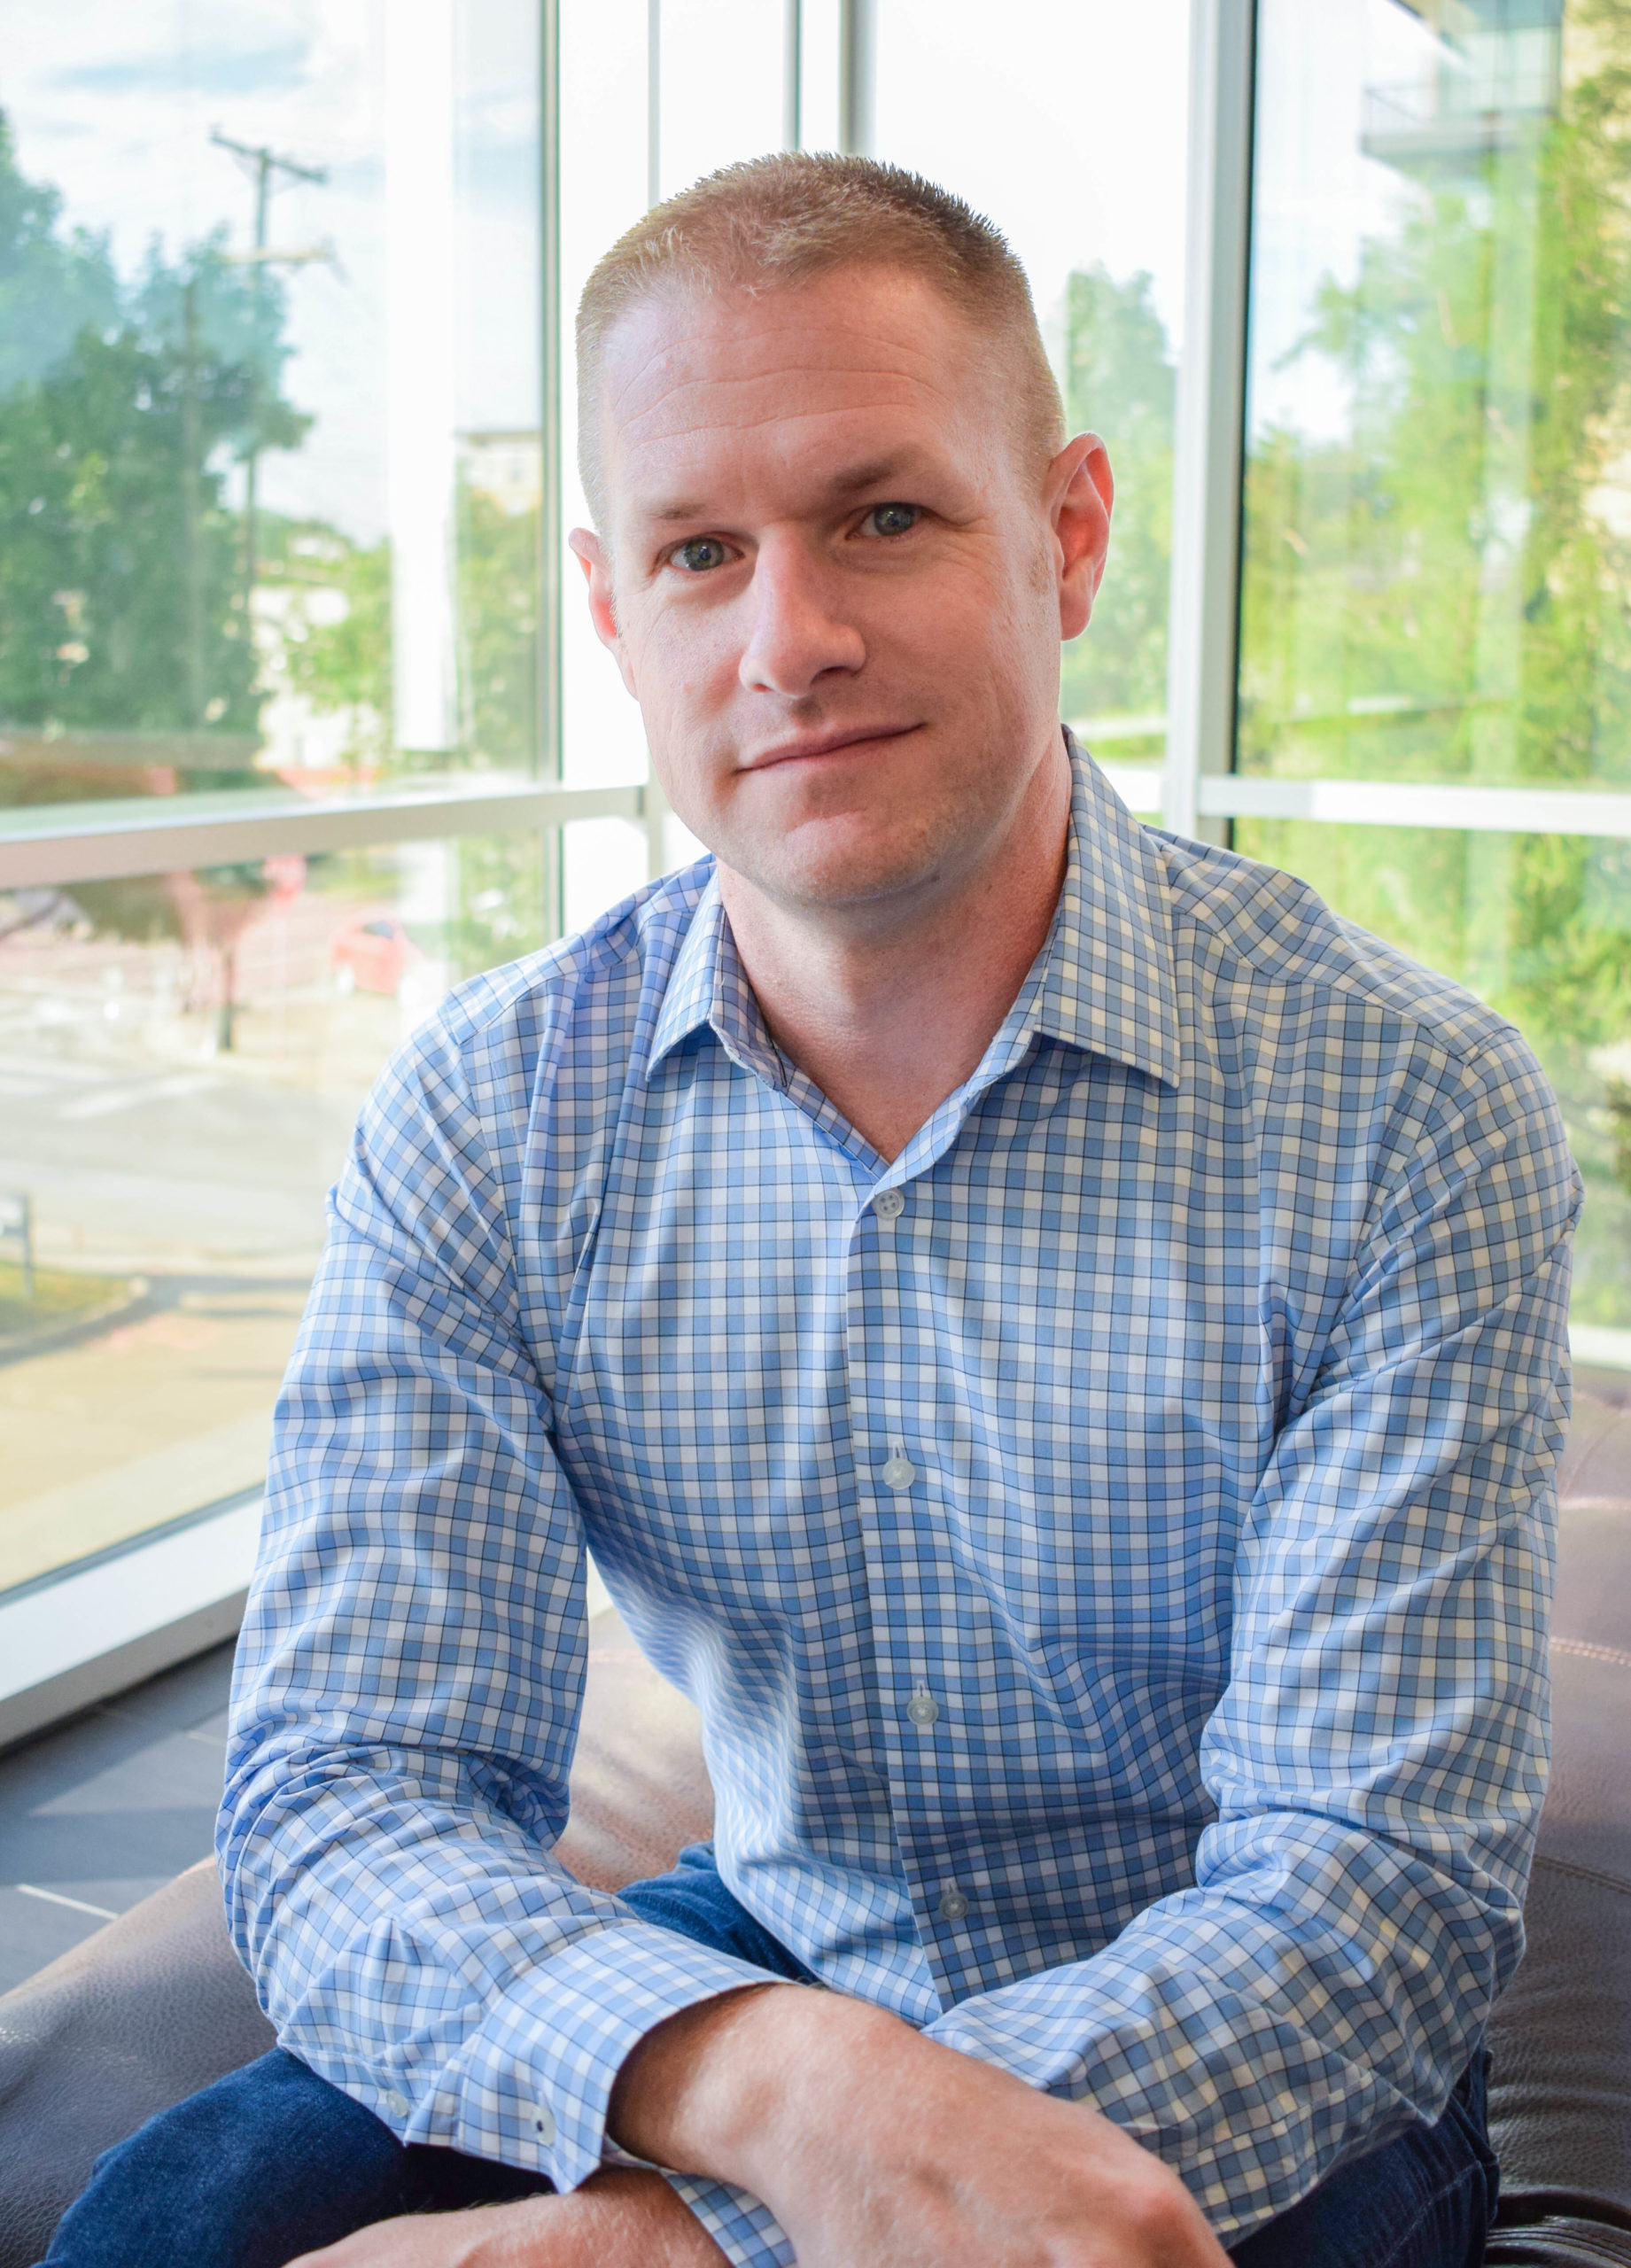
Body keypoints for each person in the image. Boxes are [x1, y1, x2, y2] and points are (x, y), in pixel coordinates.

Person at [46, 153, 1578, 2268]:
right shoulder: (493, 1113)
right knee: (172, 2220)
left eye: (882, 514)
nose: (793, 640)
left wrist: (701, 2236)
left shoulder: (1411, 1105)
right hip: (772, 1935)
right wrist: (766, 2093)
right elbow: (345, 1798)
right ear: (614, 609)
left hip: (1246, 2031)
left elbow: (1359, 1904)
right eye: (700, 551)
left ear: (1069, 533)